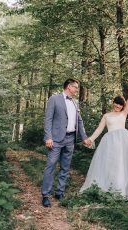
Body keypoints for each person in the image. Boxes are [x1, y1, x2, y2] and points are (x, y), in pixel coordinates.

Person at [80, 85, 128, 204]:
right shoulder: (106, 116)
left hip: (122, 142)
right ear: (113, 103)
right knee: (110, 165)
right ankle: (110, 190)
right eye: (116, 103)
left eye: (120, 104)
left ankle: (122, 192)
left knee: (121, 164)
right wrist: (91, 139)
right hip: (109, 143)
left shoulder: (123, 114)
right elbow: (99, 129)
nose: (118, 106)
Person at [41, 78, 91, 207]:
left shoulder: (75, 103)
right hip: (56, 139)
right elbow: (48, 119)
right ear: (69, 86)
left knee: (65, 167)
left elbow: (79, 122)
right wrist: (48, 137)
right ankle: (46, 195)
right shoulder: (54, 99)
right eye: (75, 87)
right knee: (51, 165)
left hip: (70, 139)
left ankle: (59, 192)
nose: (76, 90)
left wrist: (84, 137)